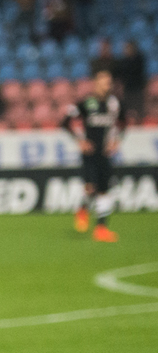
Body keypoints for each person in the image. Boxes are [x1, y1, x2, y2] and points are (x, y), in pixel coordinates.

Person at [63, 69, 125, 244]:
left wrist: (116, 141)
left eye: (109, 82)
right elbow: (65, 122)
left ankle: (101, 229)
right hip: (89, 153)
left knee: (104, 190)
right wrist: (80, 141)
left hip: (105, 154)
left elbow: (124, 123)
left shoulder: (114, 104)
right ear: (95, 83)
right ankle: (82, 209)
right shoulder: (86, 102)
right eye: (103, 81)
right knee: (91, 188)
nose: (107, 85)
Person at [114, 41, 147, 124]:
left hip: (138, 88)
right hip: (127, 89)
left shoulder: (139, 60)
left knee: (138, 110)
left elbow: (141, 74)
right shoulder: (122, 62)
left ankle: (139, 124)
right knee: (127, 110)